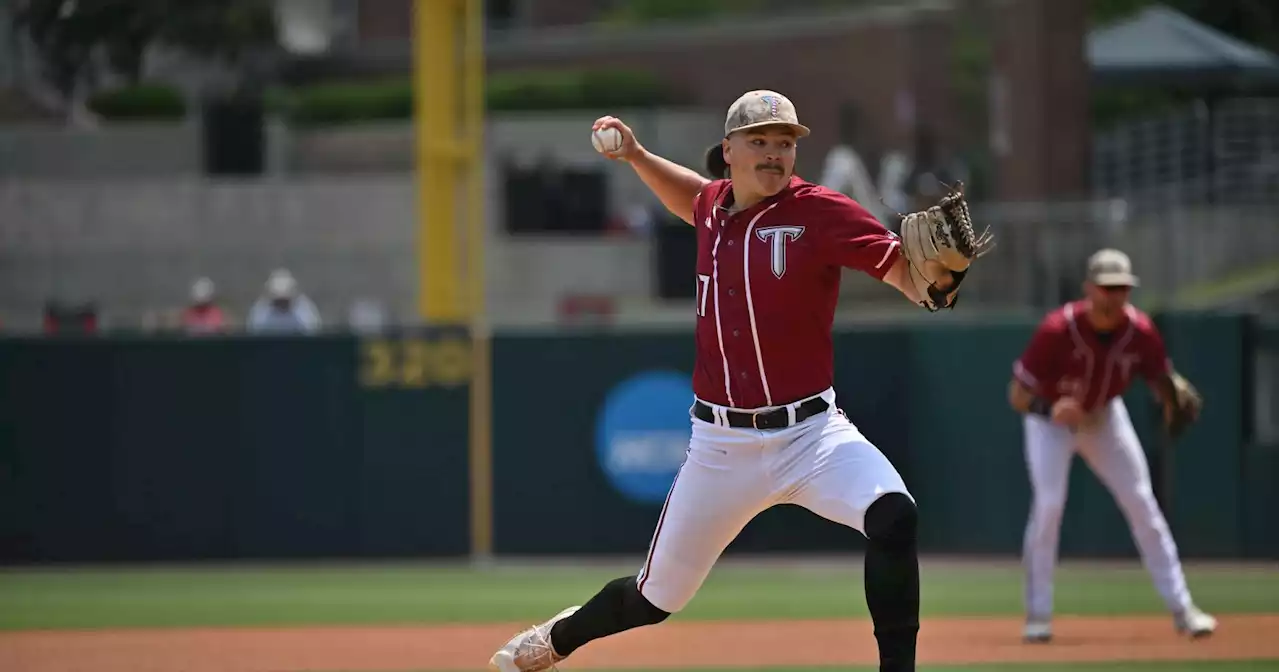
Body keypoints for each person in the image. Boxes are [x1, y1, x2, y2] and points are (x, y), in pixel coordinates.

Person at [488, 90, 992, 672]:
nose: (775, 154)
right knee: (655, 599)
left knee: (894, 516)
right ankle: (559, 639)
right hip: (721, 447)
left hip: (812, 434)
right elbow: (691, 196)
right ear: (728, 151)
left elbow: (912, 281)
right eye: (760, 142)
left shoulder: (821, 211)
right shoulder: (712, 207)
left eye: (785, 144)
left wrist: (945, 277)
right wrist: (637, 156)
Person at [1007, 248, 1217, 643]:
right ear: (1089, 288)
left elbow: (1160, 379)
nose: (1114, 296)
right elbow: (1016, 394)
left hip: (1104, 418)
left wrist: (1172, 393)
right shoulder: (1057, 329)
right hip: (1051, 424)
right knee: (1049, 505)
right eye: (1107, 287)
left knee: (1142, 503)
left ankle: (1184, 609)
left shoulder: (1141, 331)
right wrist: (1050, 406)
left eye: (1122, 288)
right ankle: (1038, 616)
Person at [246, 269, 321, 335]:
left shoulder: (304, 311)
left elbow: (312, 331)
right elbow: (254, 333)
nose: (282, 304)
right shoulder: (261, 312)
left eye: (285, 300)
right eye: (279, 300)